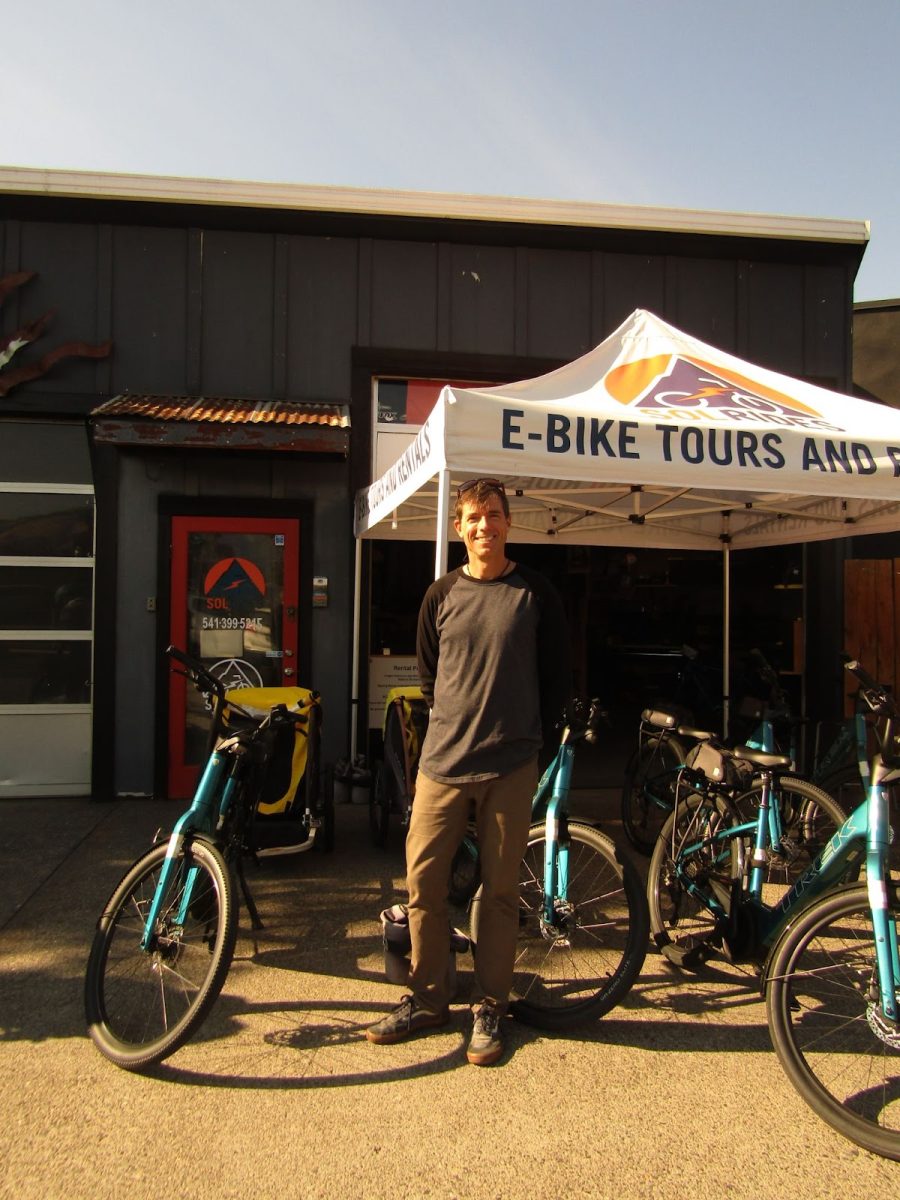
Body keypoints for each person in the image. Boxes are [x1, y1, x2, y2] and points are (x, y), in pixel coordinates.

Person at [366, 477, 571, 1065]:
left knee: (499, 894)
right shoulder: (440, 596)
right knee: (425, 888)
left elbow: (557, 677)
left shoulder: (535, 594)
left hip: (510, 764)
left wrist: (536, 744)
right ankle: (429, 1000)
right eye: (474, 517)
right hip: (443, 764)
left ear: (509, 523)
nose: (485, 526)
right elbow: (432, 680)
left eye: (495, 515)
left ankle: (489, 1007)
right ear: (459, 528)